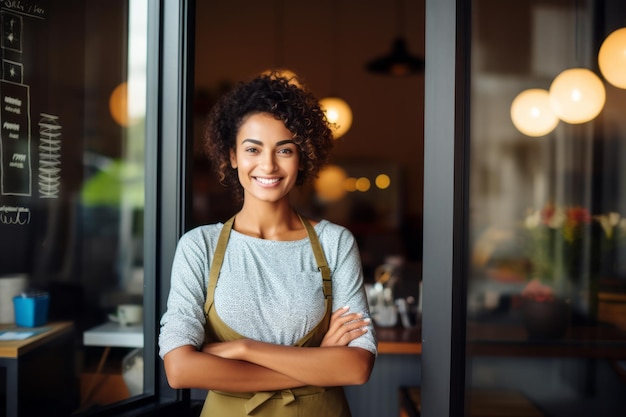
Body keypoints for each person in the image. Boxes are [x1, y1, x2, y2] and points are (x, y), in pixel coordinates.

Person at [158, 72, 377, 417]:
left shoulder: (335, 242)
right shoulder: (198, 246)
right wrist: (317, 363)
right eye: (253, 149)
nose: (268, 165)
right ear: (232, 156)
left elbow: (356, 368)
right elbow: (180, 370)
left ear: (302, 157)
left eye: (285, 150)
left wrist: (242, 349)